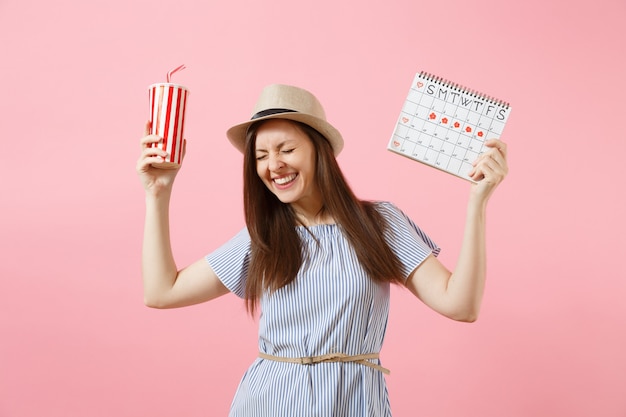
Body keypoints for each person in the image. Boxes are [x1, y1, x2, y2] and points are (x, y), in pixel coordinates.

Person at [136, 83, 508, 416]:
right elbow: (161, 292)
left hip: (355, 403)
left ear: (320, 151)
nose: (274, 165)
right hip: (268, 403)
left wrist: (478, 203)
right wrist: (158, 194)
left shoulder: (380, 223)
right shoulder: (261, 238)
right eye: (261, 155)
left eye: (287, 149)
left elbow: (460, 305)